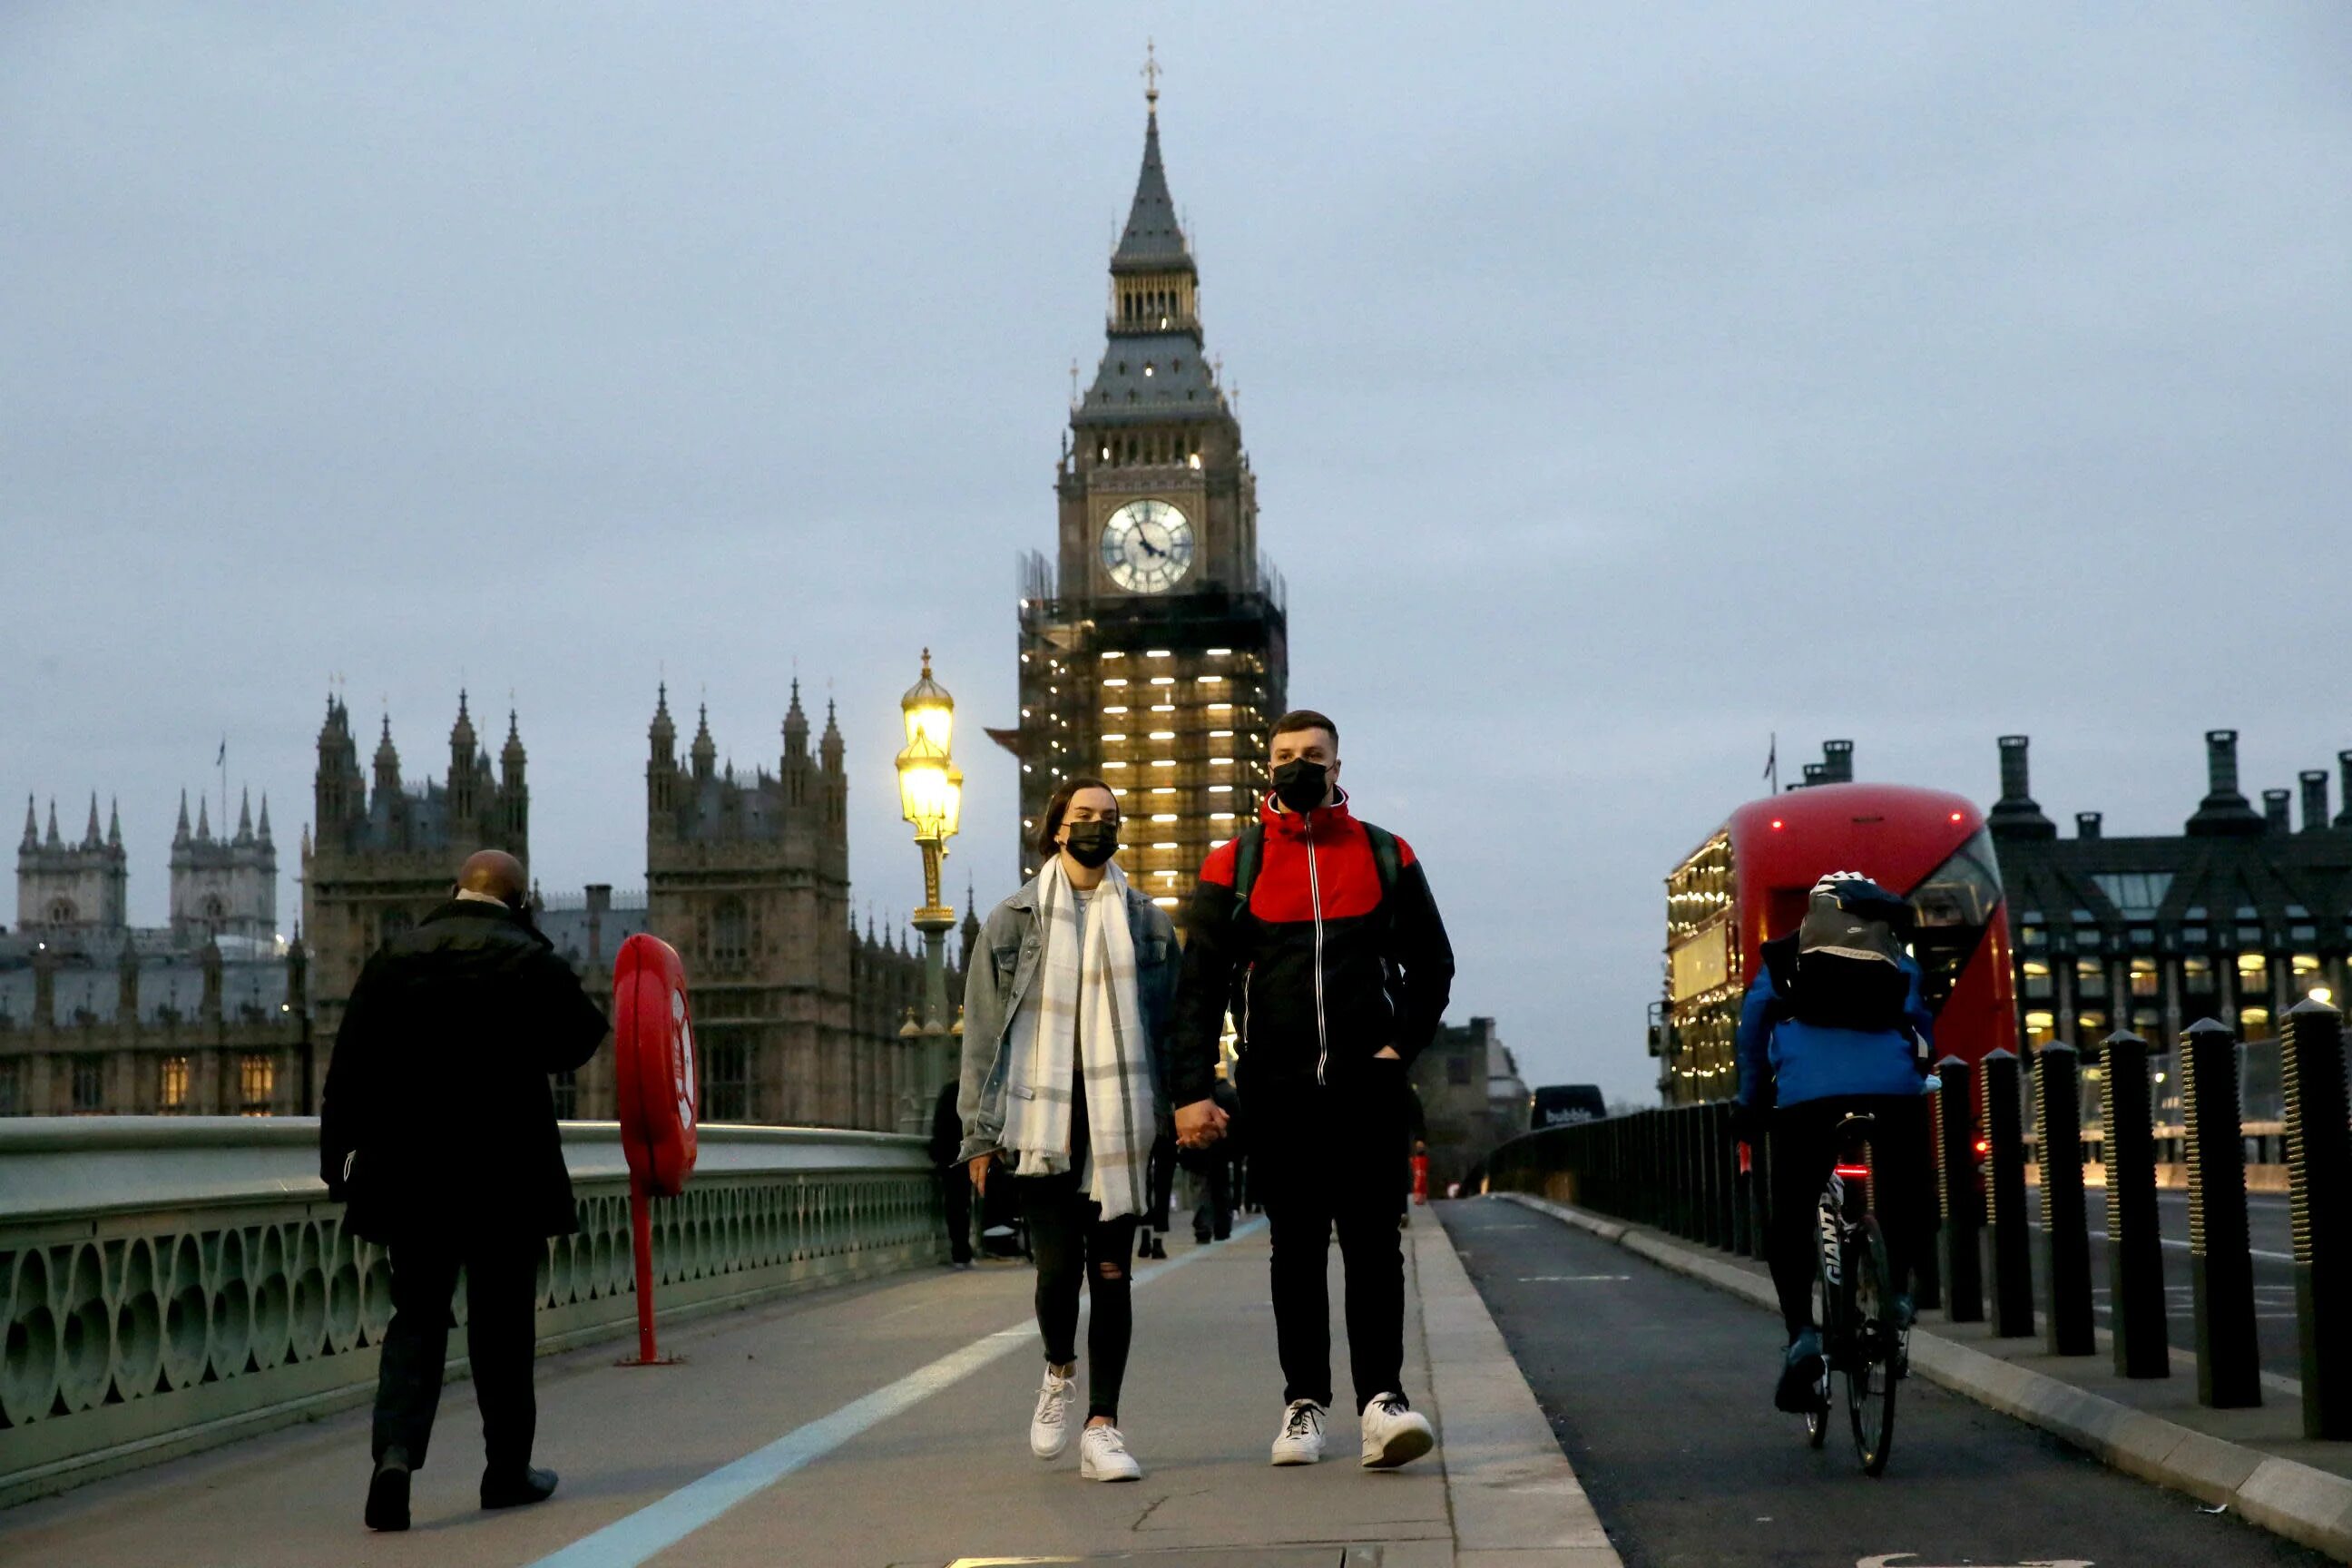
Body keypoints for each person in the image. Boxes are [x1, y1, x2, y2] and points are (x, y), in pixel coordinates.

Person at [1170, 710, 1455, 1470]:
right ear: (1269, 768)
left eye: (1314, 756)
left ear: (1337, 766)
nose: (1300, 766)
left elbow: (1433, 965)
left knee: (1372, 1245)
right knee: (1293, 1248)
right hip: (1278, 1087)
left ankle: (1382, 1403)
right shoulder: (1233, 864)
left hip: (1369, 1086)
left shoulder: (1386, 853)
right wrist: (1192, 1090)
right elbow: (1198, 990)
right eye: (1287, 756)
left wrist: (1401, 1044)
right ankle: (1304, 1406)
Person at [319, 849, 609, 1533]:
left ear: (455, 891)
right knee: (503, 1326)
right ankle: (506, 1470)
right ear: (520, 901)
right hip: (504, 1172)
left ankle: (394, 1457)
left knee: (416, 1317)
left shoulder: (394, 957)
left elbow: (348, 1064)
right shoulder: (528, 960)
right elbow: (579, 1040)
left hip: (410, 1171)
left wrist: (337, 1157)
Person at [956, 778, 1182, 1483]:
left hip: (1118, 1123)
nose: (1097, 827)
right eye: (1084, 817)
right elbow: (985, 1036)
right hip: (1040, 1119)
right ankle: (1059, 1371)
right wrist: (980, 1133)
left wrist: (1176, 1111)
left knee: (1112, 1276)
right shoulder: (1011, 921)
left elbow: (1168, 1031)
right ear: (1057, 829)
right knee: (1058, 1275)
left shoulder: (1147, 921)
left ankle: (1103, 1426)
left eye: (1109, 817)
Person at [1733, 870, 1937, 1416]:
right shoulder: (1897, 957)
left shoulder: (1784, 958)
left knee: (1792, 1211)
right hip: (1892, 1093)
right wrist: (1917, 1075)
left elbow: (1753, 1031)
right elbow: (1920, 1023)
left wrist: (1751, 1103)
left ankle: (1802, 1335)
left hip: (1807, 1101)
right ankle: (1895, 1296)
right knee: (1911, 1186)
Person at [929, 1077, 975, 1267]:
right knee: (961, 1207)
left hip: (947, 1160)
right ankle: (962, 1251)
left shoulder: (949, 1093)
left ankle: (960, 1251)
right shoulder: (963, 1095)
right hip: (960, 1159)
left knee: (955, 1207)